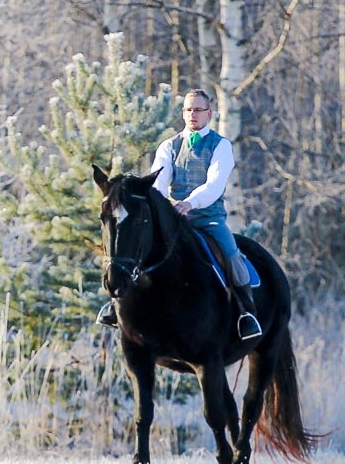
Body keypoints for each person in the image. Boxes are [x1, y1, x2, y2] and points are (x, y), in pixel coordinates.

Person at [98, 88, 262, 340]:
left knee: (230, 254)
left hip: (208, 218)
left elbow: (215, 184)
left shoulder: (221, 145)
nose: (193, 114)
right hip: (174, 219)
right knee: (137, 249)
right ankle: (117, 302)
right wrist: (165, 205)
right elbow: (159, 181)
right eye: (188, 110)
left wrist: (190, 203)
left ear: (209, 113)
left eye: (198, 110)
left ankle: (245, 313)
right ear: (183, 113)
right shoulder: (169, 146)